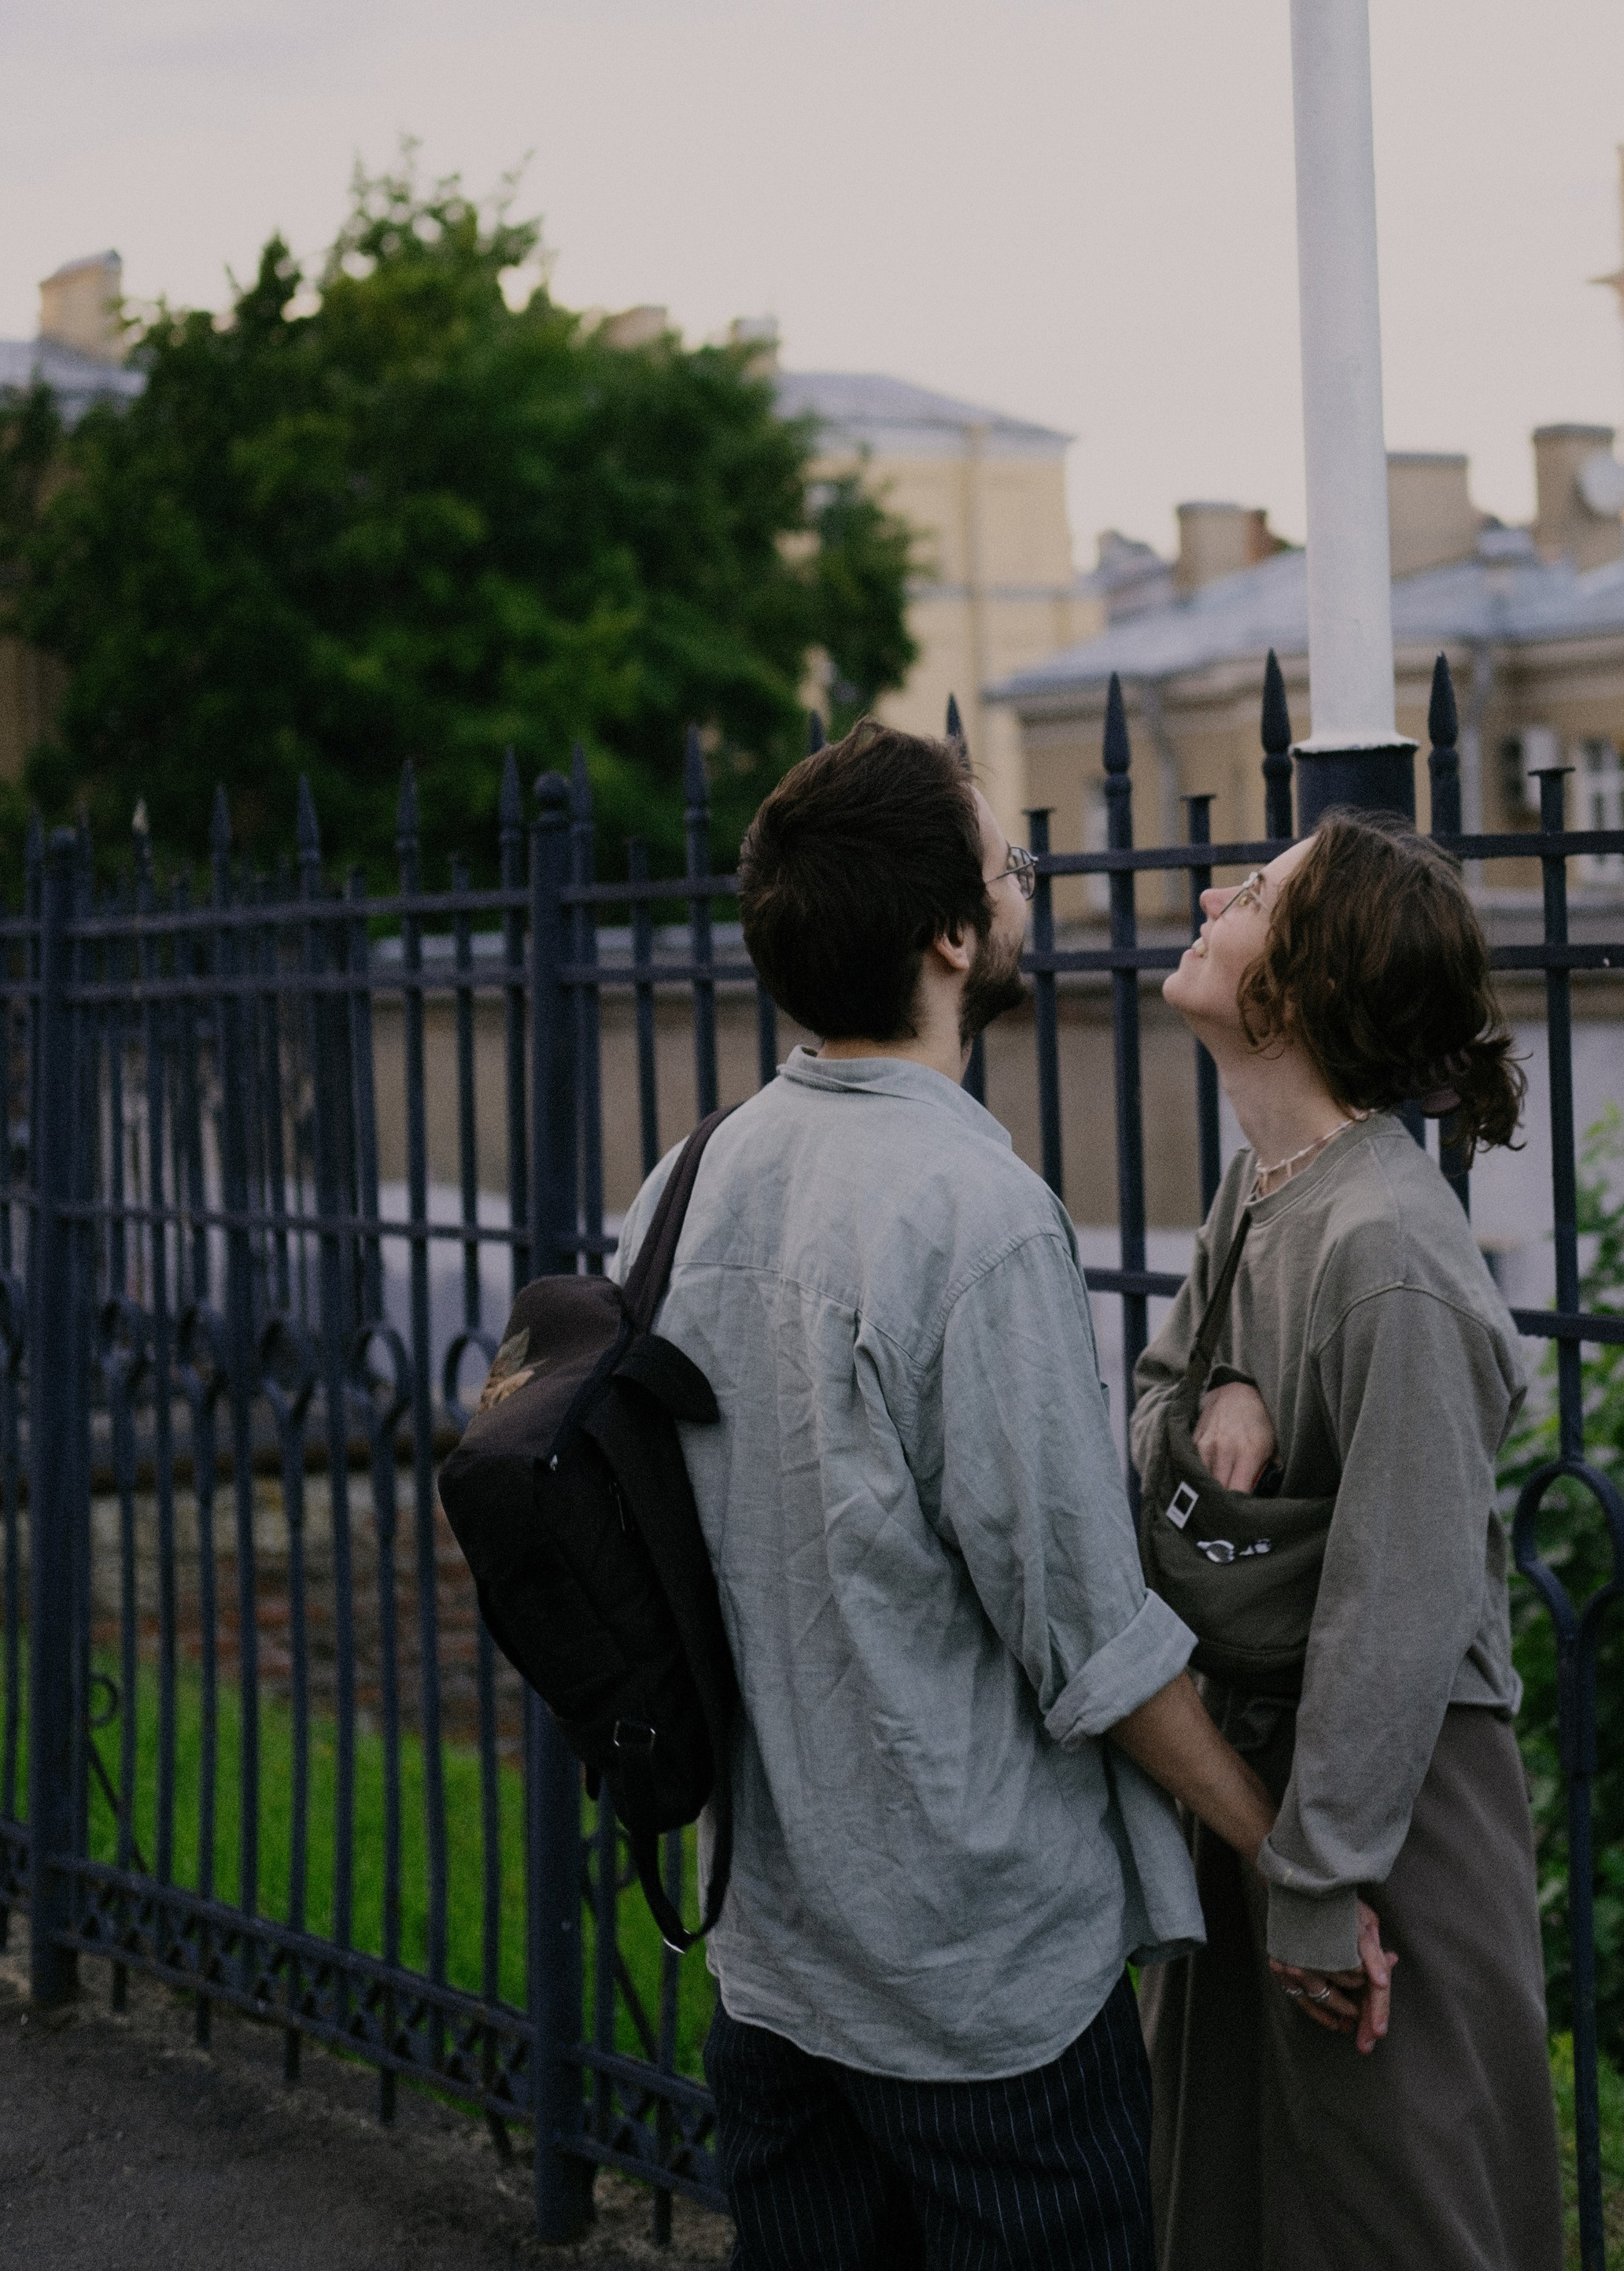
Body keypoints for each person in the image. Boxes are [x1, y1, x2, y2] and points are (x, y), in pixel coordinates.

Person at [613, 718, 1277, 2271]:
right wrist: (1276, 1838)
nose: (1023, 887)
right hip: (978, 1995)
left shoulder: (685, 1181)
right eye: (1007, 864)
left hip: (774, 1964)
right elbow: (1086, 1637)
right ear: (951, 934)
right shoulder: (976, 1215)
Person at [1130, 812, 1562, 2271]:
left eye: (1252, 893)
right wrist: (1219, 1407)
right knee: (1239, 2221)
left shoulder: (1388, 1247)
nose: (1210, 894)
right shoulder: (1260, 1194)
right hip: (1269, 1781)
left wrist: (1317, 1886)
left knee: (1398, 2221)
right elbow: (1137, 1425)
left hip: (1391, 1818)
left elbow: (1403, 1596)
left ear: (1299, 987)